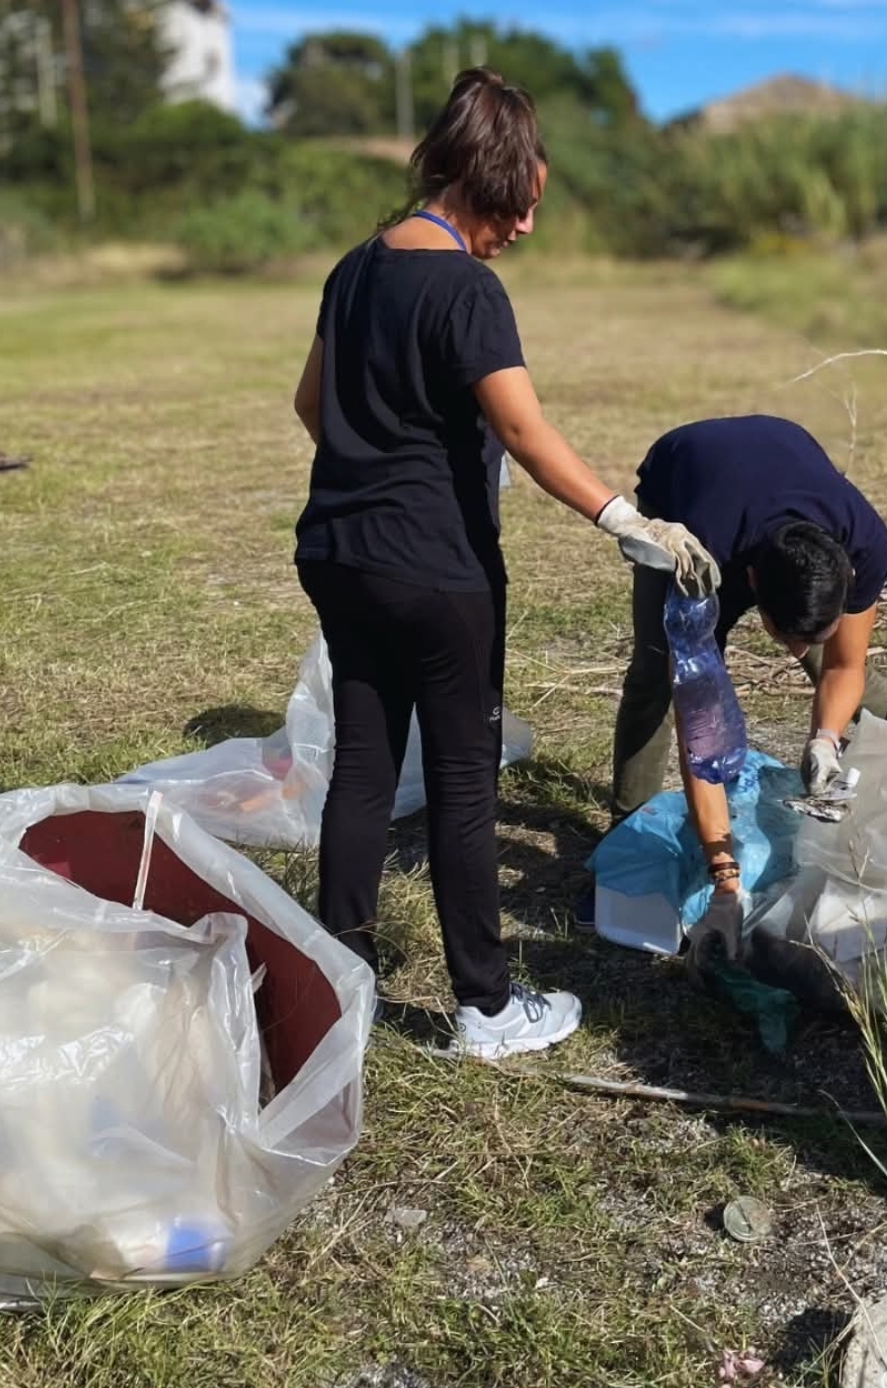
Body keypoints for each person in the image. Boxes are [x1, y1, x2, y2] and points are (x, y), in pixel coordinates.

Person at [291, 68, 718, 1062]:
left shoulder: (355, 267)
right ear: (482, 181)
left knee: (363, 766)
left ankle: (340, 984)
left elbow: (312, 404)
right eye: (520, 205)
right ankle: (484, 1007)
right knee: (461, 783)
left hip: (339, 553)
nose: (525, 227)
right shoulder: (467, 289)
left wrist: (386, 468)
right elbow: (524, 431)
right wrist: (624, 517)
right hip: (436, 573)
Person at [603, 414, 887, 957]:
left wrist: (825, 739)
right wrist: (725, 878)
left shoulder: (864, 544)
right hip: (684, 478)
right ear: (754, 584)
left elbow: (845, 665)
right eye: (782, 636)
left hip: (778, 456)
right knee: (656, 673)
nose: (792, 653)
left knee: (831, 661)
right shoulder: (699, 565)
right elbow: (702, 738)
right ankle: (627, 827)